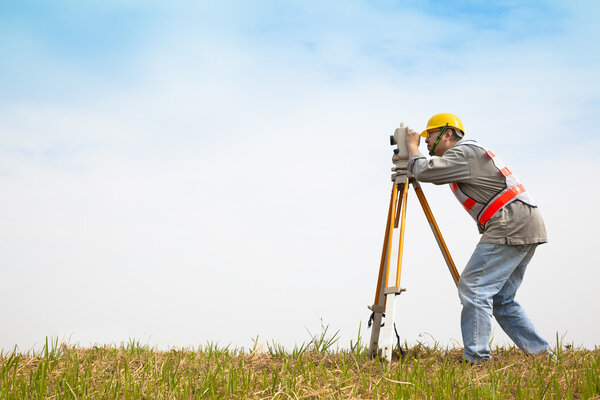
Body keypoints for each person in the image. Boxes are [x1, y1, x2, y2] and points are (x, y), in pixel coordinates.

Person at [404, 112, 551, 364]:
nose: (426, 141)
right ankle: (542, 355)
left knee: (474, 288)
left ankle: (477, 359)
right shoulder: (469, 153)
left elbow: (425, 171)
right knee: (501, 300)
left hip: (510, 222)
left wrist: (411, 148)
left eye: (430, 135)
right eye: (424, 137)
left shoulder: (462, 152)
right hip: (524, 222)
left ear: (448, 134)